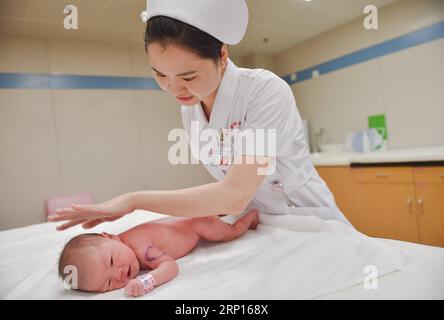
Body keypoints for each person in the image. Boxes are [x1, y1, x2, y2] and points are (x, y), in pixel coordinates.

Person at [49, 0, 352, 231]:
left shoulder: (266, 91)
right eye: (160, 74)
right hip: (257, 225)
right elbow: (228, 194)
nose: (173, 88)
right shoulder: (190, 112)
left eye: (188, 76)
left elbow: (233, 193)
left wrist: (133, 201)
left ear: (222, 55)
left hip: (305, 220)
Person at [58, 209, 259, 297]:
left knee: (229, 233)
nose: (118, 274)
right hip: (187, 217)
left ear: (110, 236)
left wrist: (146, 282)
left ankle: (249, 218)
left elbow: (170, 266)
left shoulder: (142, 249)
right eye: (108, 283)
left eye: (111, 261)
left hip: (200, 224)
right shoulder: (121, 244)